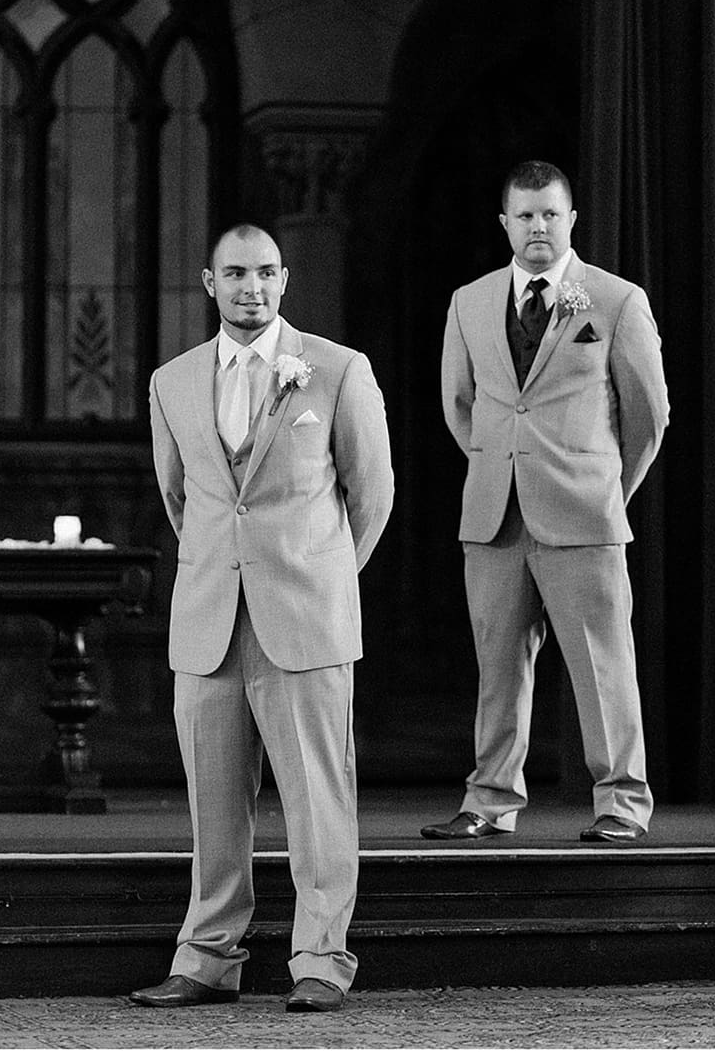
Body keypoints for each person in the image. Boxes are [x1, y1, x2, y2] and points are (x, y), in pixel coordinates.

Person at [131, 224, 394, 1013]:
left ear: (285, 280)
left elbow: (371, 495)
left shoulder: (339, 370)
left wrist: (323, 580)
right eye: (237, 273)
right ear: (211, 283)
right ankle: (207, 957)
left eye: (267, 272)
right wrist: (228, 569)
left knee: (319, 797)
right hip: (210, 617)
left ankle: (320, 958)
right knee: (214, 805)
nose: (253, 286)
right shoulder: (171, 381)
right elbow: (180, 499)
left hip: (305, 616)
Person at [428, 161, 670, 845]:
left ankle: (622, 803)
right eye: (525, 214)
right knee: (497, 666)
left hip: (585, 513)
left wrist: (605, 491)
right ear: (505, 222)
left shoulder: (617, 300)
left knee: (602, 666)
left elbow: (648, 416)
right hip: (496, 513)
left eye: (550, 214)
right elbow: (460, 403)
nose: (538, 226)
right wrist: (499, 464)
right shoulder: (469, 301)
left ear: (571, 219)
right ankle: (489, 800)